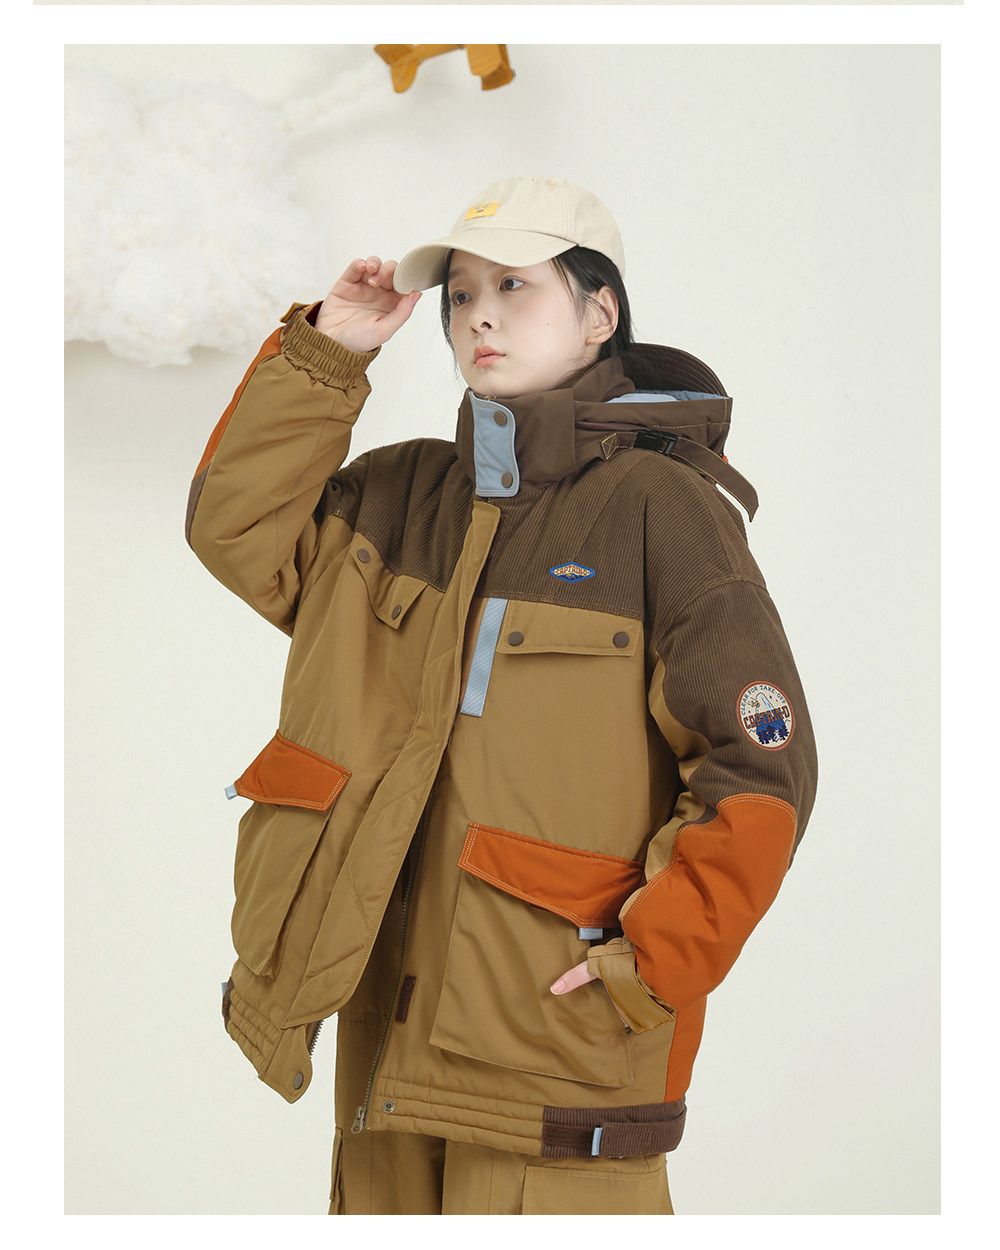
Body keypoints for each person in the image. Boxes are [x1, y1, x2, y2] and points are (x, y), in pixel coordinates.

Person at [187, 175, 818, 1215]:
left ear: (599, 314)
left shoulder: (661, 511)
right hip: (385, 1032)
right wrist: (329, 353)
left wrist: (649, 964)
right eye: (461, 293)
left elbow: (760, 771)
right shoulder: (398, 494)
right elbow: (236, 530)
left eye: (515, 285)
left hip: (554, 1042)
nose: (478, 314)